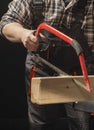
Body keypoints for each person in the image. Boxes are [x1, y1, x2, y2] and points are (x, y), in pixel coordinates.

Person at [0, 0, 94, 130]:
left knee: (83, 123)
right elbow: (7, 23)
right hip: (41, 67)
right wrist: (23, 34)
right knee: (41, 124)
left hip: (79, 71)